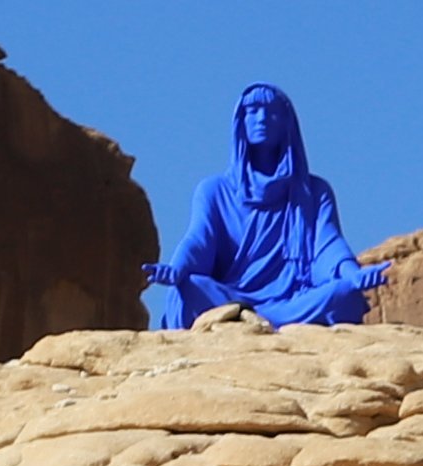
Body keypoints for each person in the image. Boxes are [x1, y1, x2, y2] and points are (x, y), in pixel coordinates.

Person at [145, 81, 380, 330]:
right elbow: (199, 239)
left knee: (344, 293)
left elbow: (328, 245)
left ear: (287, 123)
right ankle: (242, 314)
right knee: (189, 287)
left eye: (273, 112)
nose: (263, 119)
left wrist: (353, 274)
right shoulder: (214, 190)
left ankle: (258, 319)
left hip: (294, 302)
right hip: (231, 297)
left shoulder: (314, 192)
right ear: (241, 122)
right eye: (253, 111)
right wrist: (177, 268)